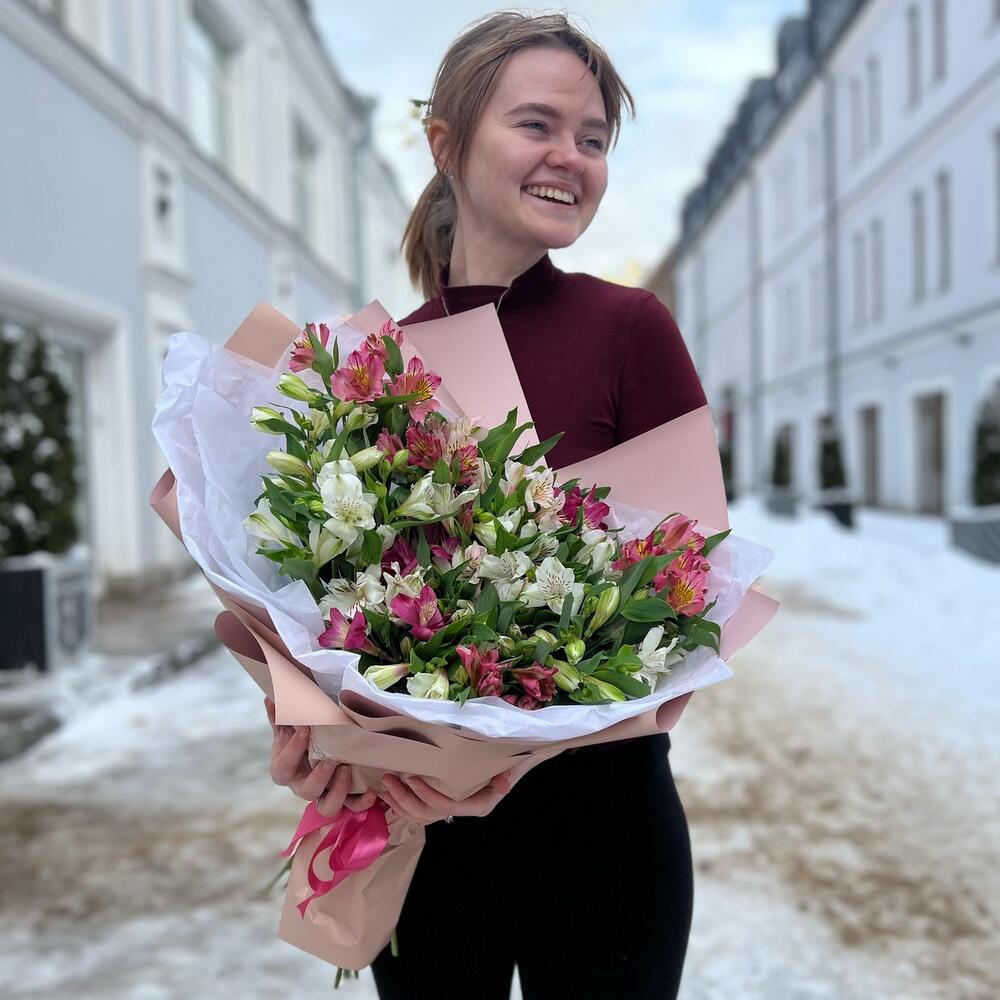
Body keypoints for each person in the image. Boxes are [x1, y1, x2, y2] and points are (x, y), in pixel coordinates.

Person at [267, 11, 705, 998]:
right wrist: (315, 739)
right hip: (419, 831)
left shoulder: (629, 328)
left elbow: (694, 613)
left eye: (592, 138)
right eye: (537, 125)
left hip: (602, 831)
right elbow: (323, 601)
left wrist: (519, 751)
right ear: (446, 144)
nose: (571, 157)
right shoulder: (370, 367)